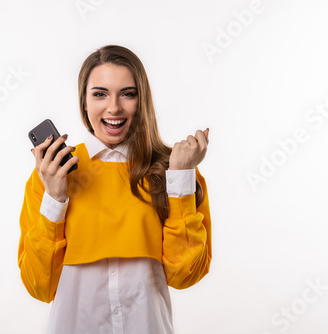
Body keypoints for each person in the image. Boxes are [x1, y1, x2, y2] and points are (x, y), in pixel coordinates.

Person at [17, 44, 212, 334]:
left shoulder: (173, 170)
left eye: (128, 94)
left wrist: (180, 179)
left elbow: (185, 275)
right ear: (83, 102)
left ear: (141, 101)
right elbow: (39, 286)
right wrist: (55, 197)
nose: (114, 107)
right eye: (100, 94)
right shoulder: (51, 174)